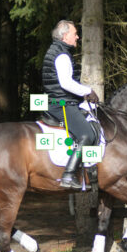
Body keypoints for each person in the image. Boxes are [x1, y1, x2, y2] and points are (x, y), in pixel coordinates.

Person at [42, 20, 99, 190]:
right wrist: (87, 91)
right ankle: (68, 175)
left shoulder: (56, 50)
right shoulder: (62, 55)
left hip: (57, 101)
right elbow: (66, 83)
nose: (78, 37)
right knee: (87, 134)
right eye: (75, 34)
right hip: (61, 104)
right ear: (65, 35)